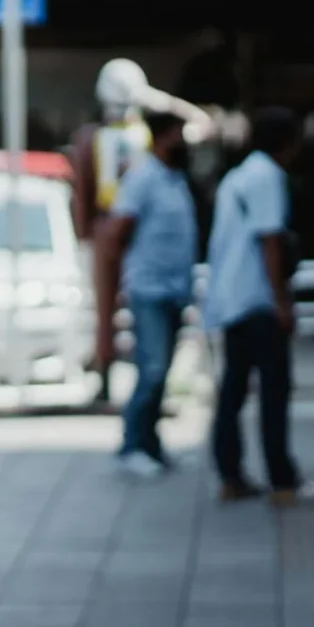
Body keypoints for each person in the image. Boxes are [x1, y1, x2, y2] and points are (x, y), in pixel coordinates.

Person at [204, 107, 314, 506]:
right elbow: (270, 240)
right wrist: (282, 301)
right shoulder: (267, 177)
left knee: (234, 390)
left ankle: (231, 474)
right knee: (274, 390)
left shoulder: (237, 176)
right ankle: (282, 479)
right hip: (257, 299)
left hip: (230, 297)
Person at [94, 110, 199, 477]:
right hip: (149, 289)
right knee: (151, 370)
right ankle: (132, 446)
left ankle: (151, 444)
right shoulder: (143, 177)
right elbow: (117, 234)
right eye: (179, 134)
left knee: (162, 372)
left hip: (173, 290)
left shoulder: (175, 178)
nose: (184, 142)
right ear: (164, 135)